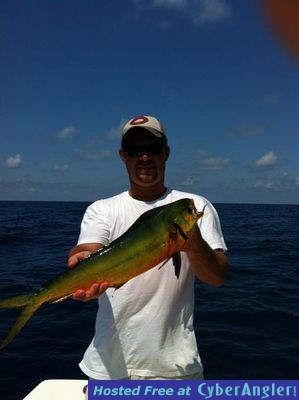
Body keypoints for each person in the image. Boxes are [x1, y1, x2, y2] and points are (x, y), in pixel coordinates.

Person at [68, 115, 228, 383]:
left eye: (152, 149)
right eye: (135, 151)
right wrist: (80, 262)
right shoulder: (102, 209)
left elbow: (217, 277)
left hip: (175, 370)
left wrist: (192, 241)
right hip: (108, 370)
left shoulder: (195, 204)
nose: (144, 157)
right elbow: (87, 248)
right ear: (123, 156)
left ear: (165, 153)